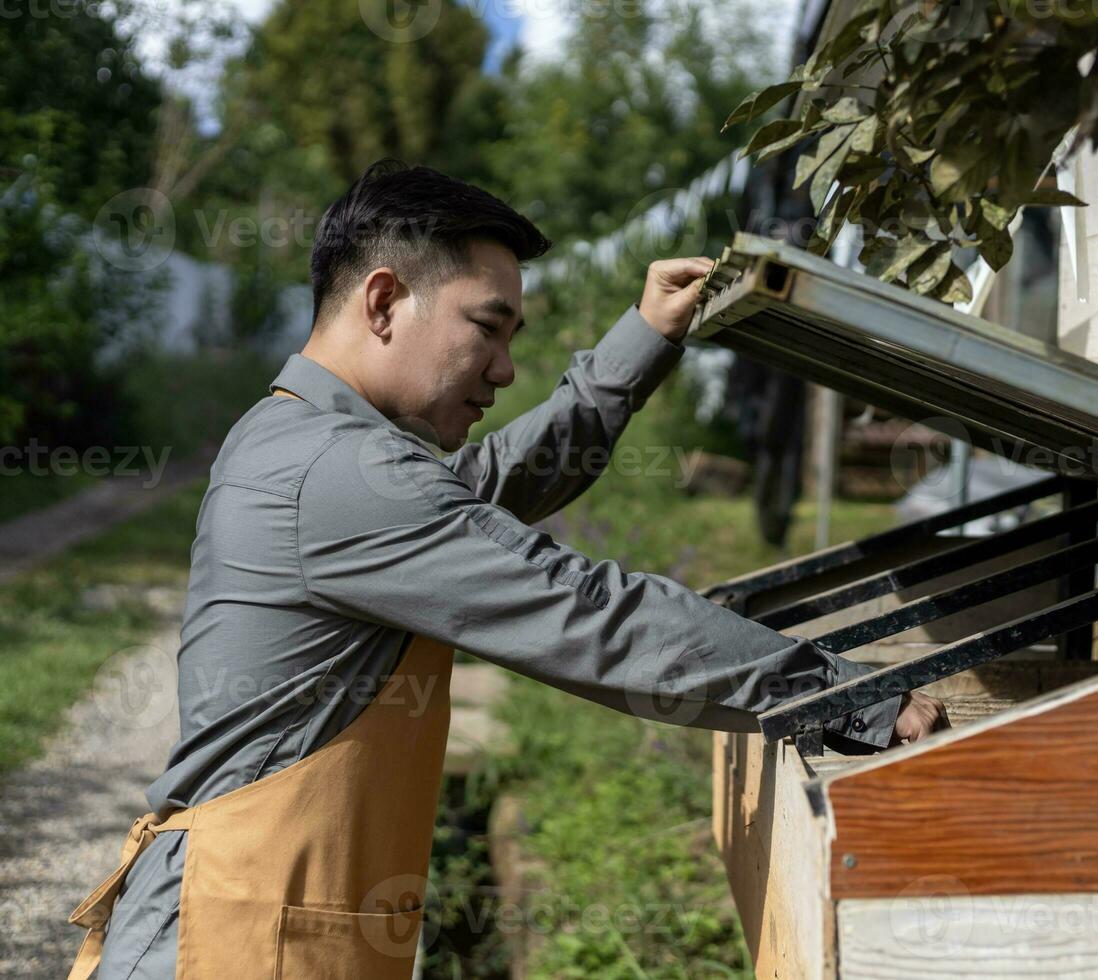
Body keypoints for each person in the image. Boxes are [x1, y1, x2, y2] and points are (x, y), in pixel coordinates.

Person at [68, 160, 947, 979]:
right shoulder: (337, 473)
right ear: (383, 302)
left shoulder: (306, 435)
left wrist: (640, 341)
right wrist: (853, 695)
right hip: (227, 945)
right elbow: (595, 616)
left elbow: (486, 487)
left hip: (242, 919)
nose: (505, 367)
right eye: (486, 328)